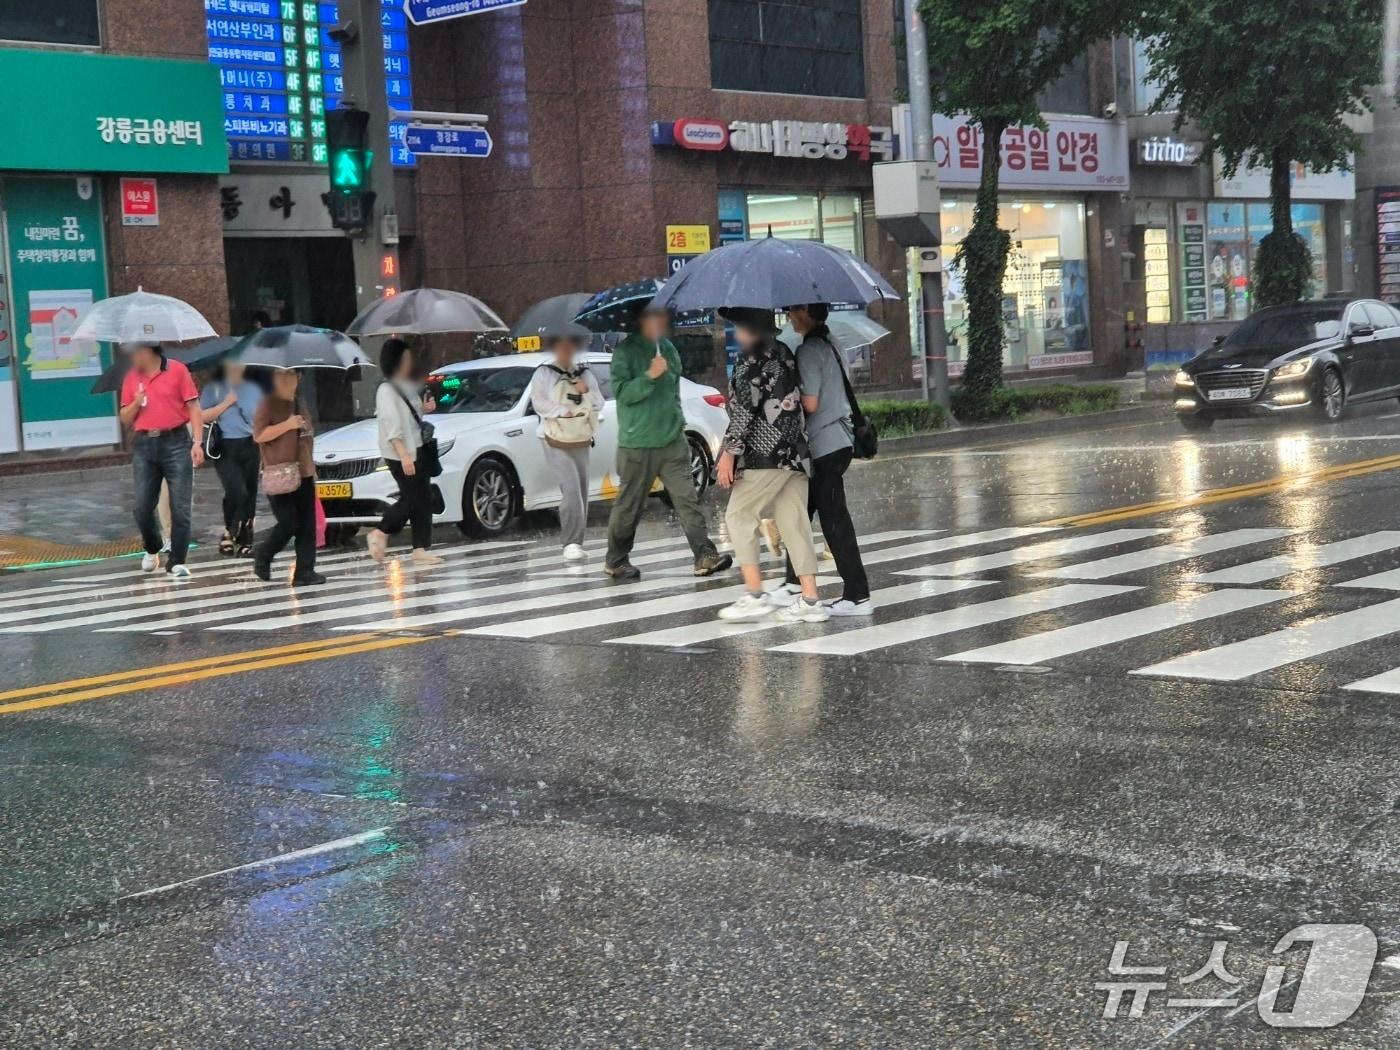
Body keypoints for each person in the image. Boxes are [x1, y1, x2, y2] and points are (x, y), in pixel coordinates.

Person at [714, 308, 827, 623]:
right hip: (795, 451)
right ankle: (810, 599)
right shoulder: (784, 352)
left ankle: (754, 594)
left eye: (737, 327)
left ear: (749, 329)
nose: (735, 333)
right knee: (794, 523)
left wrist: (728, 453)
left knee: (738, 516)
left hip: (766, 453)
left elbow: (746, 411)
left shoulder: (752, 359)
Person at [604, 306, 731, 580]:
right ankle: (616, 558)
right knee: (630, 505)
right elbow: (623, 393)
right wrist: (649, 375)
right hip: (637, 443)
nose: (662, 322)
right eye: (656, 316)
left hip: (672, 439)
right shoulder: (625, 353)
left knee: (688, 499)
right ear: (643, 320)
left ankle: (704, 555)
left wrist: (678, 422)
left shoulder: (668, 349)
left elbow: (673, 390)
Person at [771, 302, 873, 616]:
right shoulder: (832, 343)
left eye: (792, 310)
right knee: (800, 512)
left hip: (824, 444)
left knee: (833, 520)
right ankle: (792, 583)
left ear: (806, 312)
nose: (788, 315)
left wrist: (786, 396)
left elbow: (811, 403)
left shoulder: (809, 350)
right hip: (837, 441)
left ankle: (857, 595)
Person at [118, 341, 204, 579]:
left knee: (180, 507)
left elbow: (194, 407)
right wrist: (136, 402)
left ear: (147, 351)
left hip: (176, 441)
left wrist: (197, 442)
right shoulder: (131, 377)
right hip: (145, 444)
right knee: (142, 507)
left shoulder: (177, 370)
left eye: (134, 353)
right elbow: (124, 417)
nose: (132, 358)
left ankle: (176, 561)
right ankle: (152, 546)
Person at [529, 321, 604, 562]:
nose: (565, 350)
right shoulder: (543, 373)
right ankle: (570, 542)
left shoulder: (585, 374)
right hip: (554, 438)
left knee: (581, 490)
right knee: (570, 488)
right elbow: (538, 403)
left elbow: (599, 403)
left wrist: (585, 391)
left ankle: (577, 541)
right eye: (561, 345)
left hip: (581, 437)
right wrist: (562, 410)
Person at [365, 338, 443, 568]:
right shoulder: (386, 390)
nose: (410, 362)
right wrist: (404, 454)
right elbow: (392, 425)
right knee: (411, 498)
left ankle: (420, 548)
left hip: (417, 448)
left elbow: (412, 417)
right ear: (397, 360)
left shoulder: (406, 386)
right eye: (406, 358)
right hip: (400, 452)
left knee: (423, 498)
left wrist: (426, 408)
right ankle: (381, 531)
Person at [251, 368, 323, 585]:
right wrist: (287, 425)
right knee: (289, 522)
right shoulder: (268, 402)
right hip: (279, 472)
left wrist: (312, 467)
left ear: (299, 377)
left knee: (307, 525)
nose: (284, 379)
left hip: (304, 471)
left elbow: (307, 436)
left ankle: (304, 572)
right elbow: (259, 435)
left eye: (290, 374)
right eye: (280, 375)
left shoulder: (300, 401)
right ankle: (264, 554)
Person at [199, 358, 264, 556]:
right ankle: (229, 530)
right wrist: (226, 403)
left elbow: (262, 417)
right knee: (236, 490)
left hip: (251, 443)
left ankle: (246, 539)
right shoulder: (214, 389)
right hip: (225, 445)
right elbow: (201, 416)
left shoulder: (254, 388)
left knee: (250, 492)